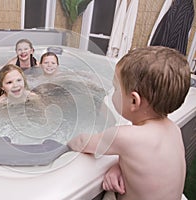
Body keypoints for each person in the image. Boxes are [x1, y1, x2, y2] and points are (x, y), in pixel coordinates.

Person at [67, 46, 190, 200]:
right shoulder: (173, 129)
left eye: (116, 88)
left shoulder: (124, 136)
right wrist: (119, 166)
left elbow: (83, 142)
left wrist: (68, 139)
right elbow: (149, 163)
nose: (113, 92)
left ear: (134, 101)